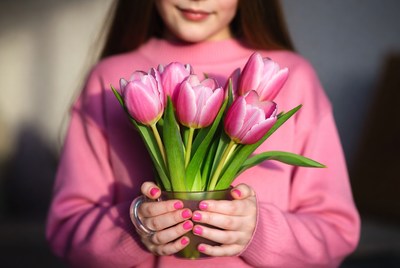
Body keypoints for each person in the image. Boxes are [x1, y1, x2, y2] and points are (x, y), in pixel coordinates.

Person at [46, 0, 360, 267]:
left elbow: (337, 232)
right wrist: (133, 226)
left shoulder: (295, 77)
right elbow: (65, 232)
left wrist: (260, 230)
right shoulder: (110, 78)